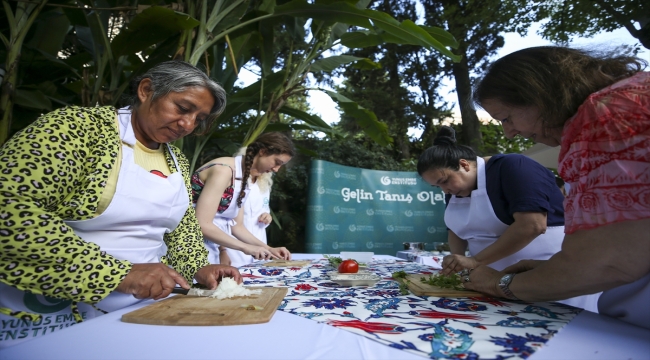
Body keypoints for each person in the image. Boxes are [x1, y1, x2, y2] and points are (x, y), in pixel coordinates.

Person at [0, 60, 242, 348]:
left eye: (198, 119)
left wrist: (199, 267)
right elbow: (10, 207)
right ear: (146, 90)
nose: (188, 125)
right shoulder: (77, 130)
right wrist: (117, 273)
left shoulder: (176, 160)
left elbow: (182, 228)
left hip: (141, 307)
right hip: (53, 310)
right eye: (182, 108)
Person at [466, 46, 649, 329]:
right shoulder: (633, 98)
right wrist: (552, 271)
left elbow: (610, 263)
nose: (509, 132)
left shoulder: (605, 117)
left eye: (506, 117)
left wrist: (500, 282)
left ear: (538, 94)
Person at [417, 126, 598, 312]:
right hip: (488, 287)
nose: (445, 190)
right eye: (437, 187)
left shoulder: (514, 167)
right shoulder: (456, 189)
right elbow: (455, 229)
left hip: (542, 280)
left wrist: (476, 261)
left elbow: (532, 225)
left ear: (464, 165)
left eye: (444, 181)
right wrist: (458, 261)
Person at [192, 132, 294, 267]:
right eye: (277, 162)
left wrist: (269, 249)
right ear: (263, 152)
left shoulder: (243, 176)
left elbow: (237, 226)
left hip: (210, 248)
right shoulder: (224, 171)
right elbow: (202, 224)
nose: (276, 169)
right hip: (190, 247)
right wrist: (245, 247)